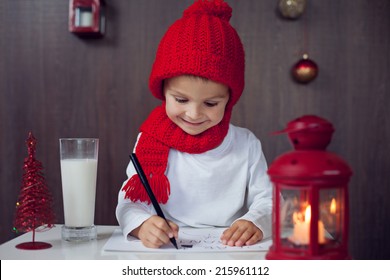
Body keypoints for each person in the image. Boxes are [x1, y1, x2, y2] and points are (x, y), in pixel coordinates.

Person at [116, 0, 272, 249]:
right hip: (168, 251)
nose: (194, 113)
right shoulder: (150, 141)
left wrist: (254, 222)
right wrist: (143, 224)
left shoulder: (246, 144)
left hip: (230, 252)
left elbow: (268, 199)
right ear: (163, 91)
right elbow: (129, 201)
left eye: (210, 103)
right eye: (181, 100)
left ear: (229, 100)